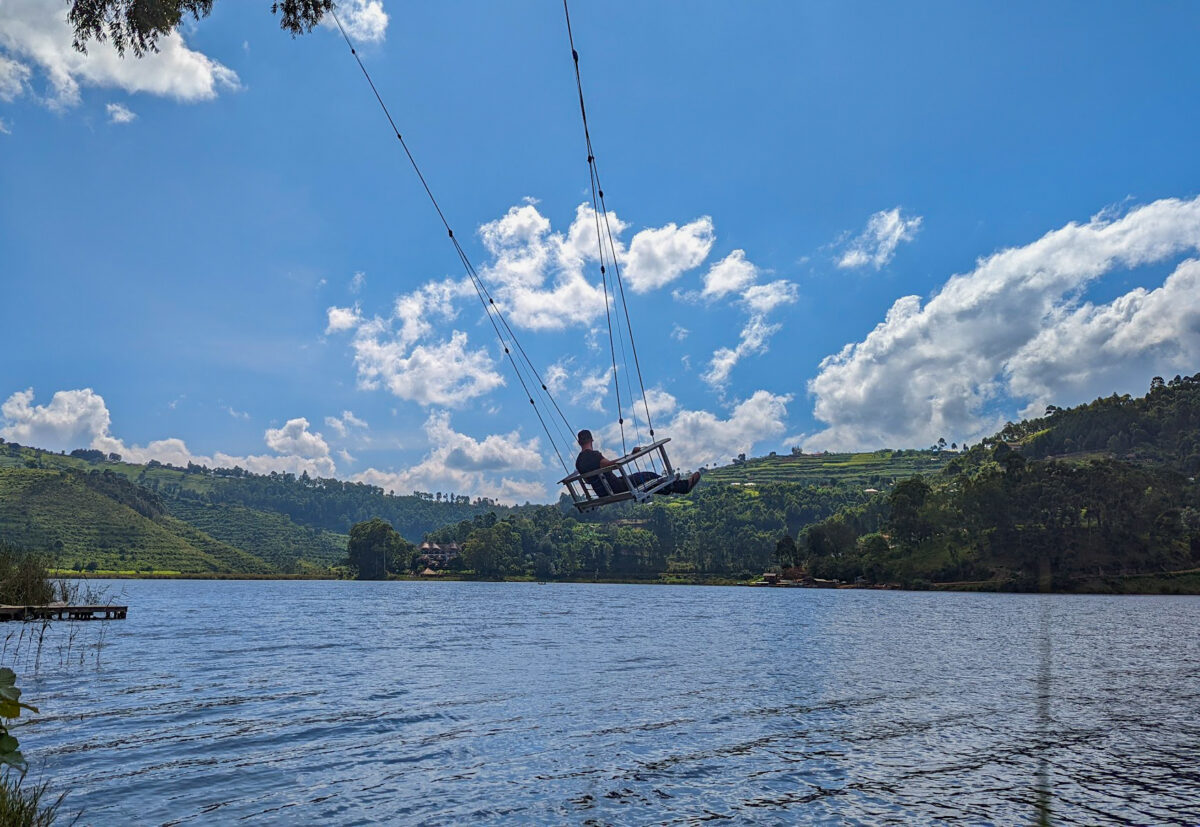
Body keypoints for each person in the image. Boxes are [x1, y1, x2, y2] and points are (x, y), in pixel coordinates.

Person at [574, 429, 700, 498]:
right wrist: (631, 454)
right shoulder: (594, 455)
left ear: (579, 442)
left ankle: (677, 487)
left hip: (603, 492)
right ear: (591, 439)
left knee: (646, 483)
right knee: (648, 476)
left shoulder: (578, 462)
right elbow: (611, 464)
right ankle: (682, 486)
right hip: (617, 487)